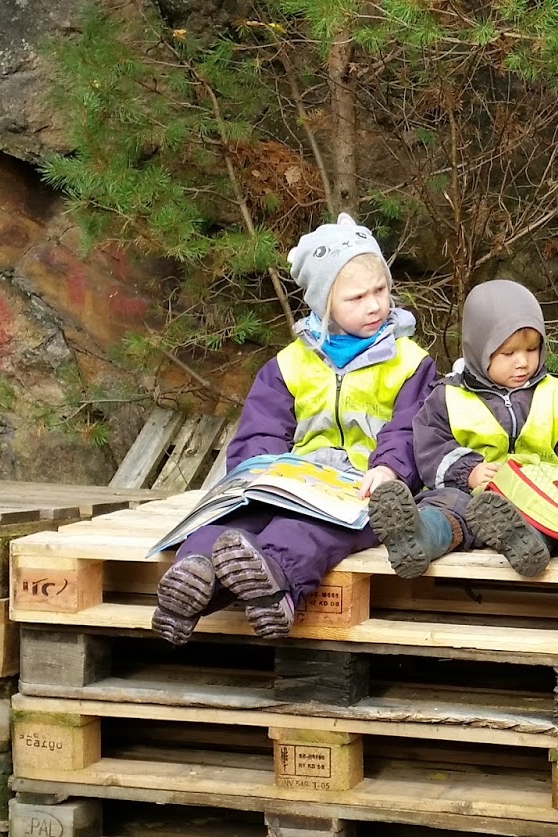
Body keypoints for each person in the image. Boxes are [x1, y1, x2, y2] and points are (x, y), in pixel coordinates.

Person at [150, 214, 437, 644]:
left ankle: (276, 584)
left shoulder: (410, 362)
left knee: (309, 532)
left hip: (364, 489)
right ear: (324, 304)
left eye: (380, 290)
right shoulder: (288, 364)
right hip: (297, 480)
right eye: (357, 297)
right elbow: (261, 431)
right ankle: (194, 574)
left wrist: (390, 469)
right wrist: (261, 475)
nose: (375, 305)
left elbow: (412, 427)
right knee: (240, 517)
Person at [367, 279, 558, 578]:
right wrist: (467, 471)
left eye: (532, 349)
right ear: (479, 349)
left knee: (552, 516)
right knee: (445, 507)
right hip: (469, 492)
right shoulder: (448, 397)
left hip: (538, 493)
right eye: (508, 353)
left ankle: (526, 544)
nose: (523, 362)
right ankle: (417, 538)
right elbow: (431, 447)